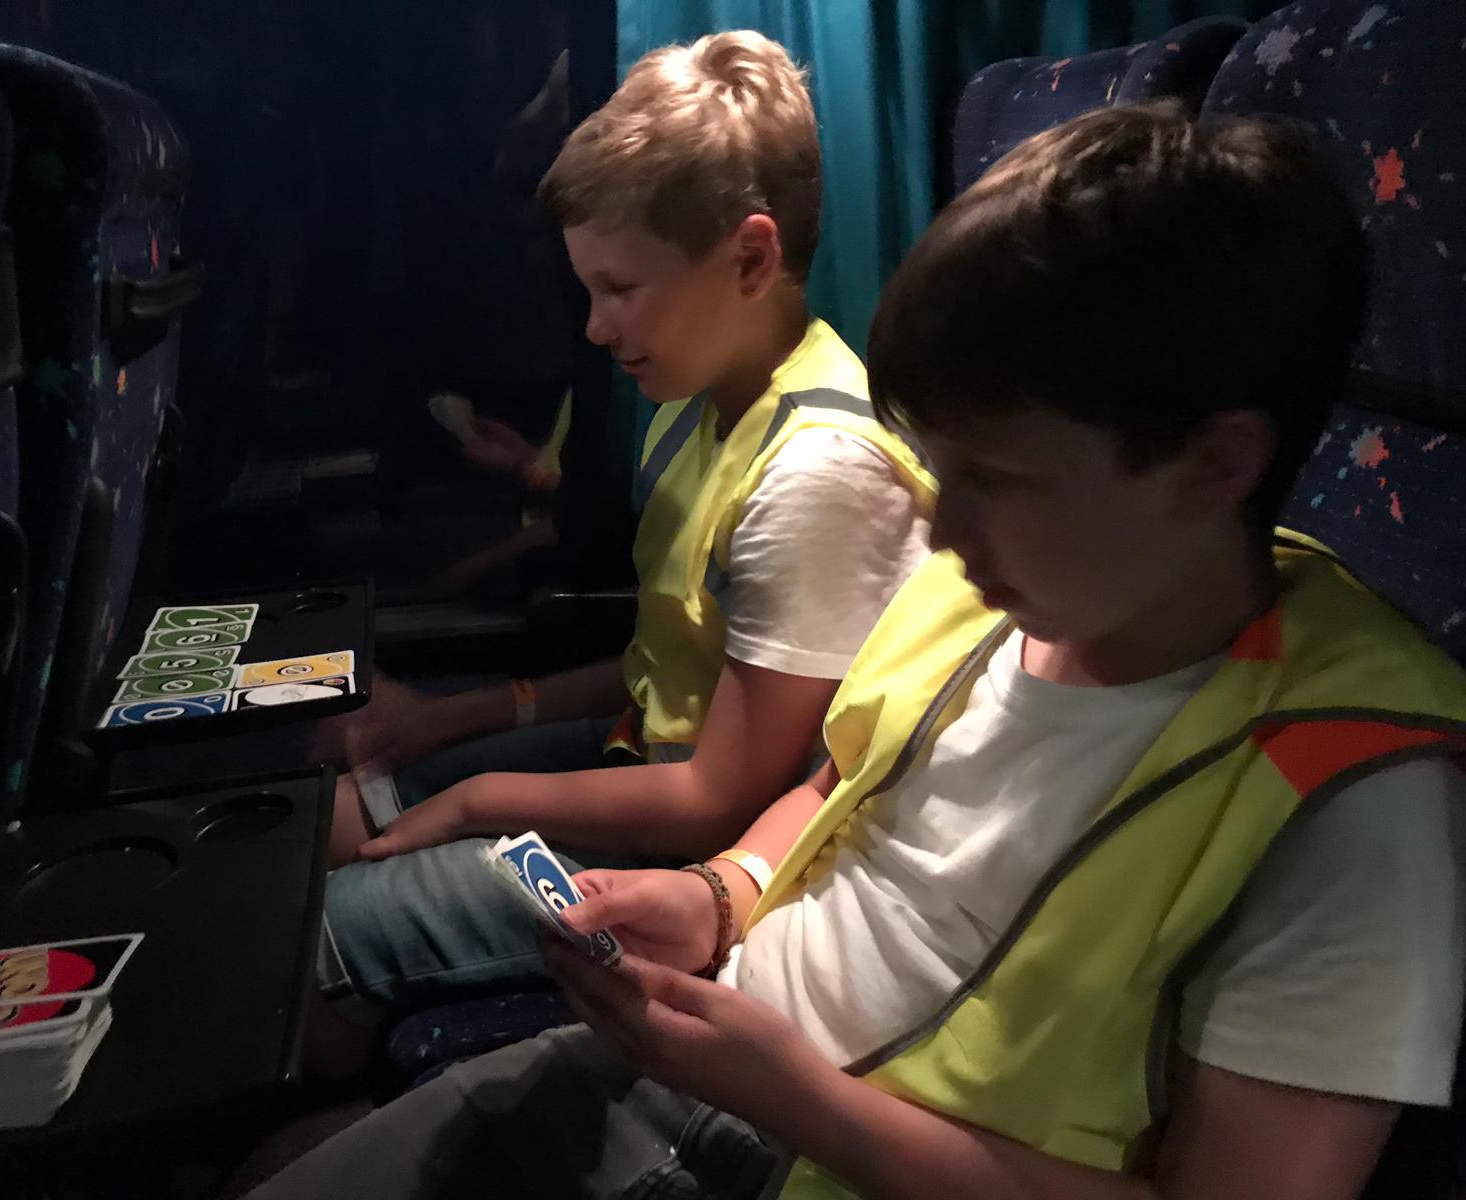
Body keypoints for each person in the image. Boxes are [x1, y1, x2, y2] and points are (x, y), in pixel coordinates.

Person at [251, 102, 1466, 1198]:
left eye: (994, 480)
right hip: (713, 1052)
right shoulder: (1000, 591)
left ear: (1214, 465)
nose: (937, 526)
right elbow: (842, 783)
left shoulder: (1347, 801)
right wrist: (718, 897)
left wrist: (790, 1096)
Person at [310, 30, 937, 1060]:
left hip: (703, 857)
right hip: (641, 760)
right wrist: (458, 717)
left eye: (621, 289)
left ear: (751, 258)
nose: (596, 328)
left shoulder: (818, 474)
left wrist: (475, 800)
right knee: (334, 816)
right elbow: (670, 667)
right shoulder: (692, 407)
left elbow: (719, 800)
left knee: (318, 933)